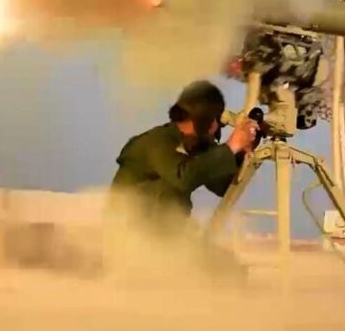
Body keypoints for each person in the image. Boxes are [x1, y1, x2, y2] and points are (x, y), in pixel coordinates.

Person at [105, 80, 257, 283]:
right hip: (136, 238)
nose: (218, 127)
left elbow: (222, 186)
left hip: (168, 237)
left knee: (229, 270)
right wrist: (231, 146)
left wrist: (242, 151)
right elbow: (183, 177)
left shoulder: (195, 145)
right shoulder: (155, 142)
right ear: (206, 120)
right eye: (216, 120)